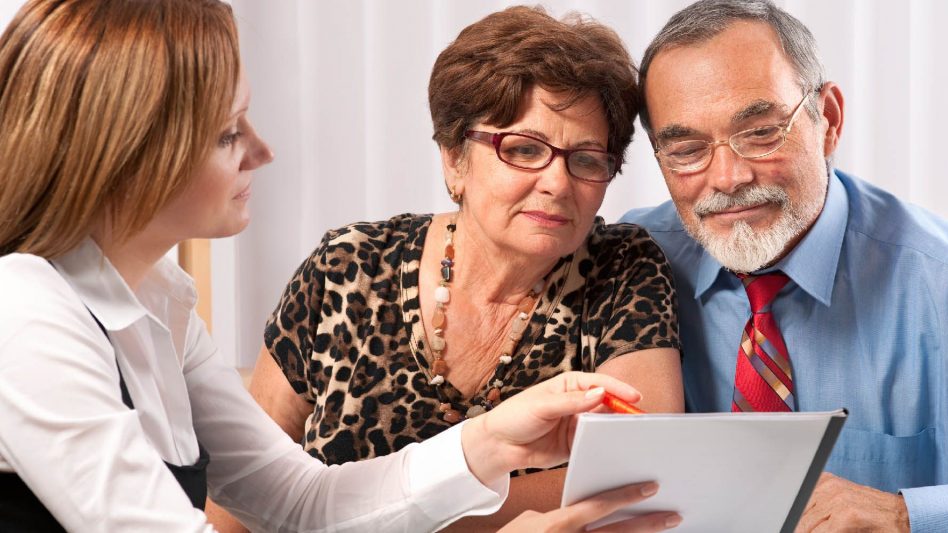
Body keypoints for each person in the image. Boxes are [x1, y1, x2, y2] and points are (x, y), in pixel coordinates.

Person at [0, 0, 684, 531]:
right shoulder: (24, 312)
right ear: (131, 153)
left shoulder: (160, 302)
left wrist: (488, 441)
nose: (261, 151)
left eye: (587, 159)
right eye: (229, 132)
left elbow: (301, 501)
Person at [208, 6, 685, 532]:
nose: (558, 182)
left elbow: (640, 478)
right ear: (454, 158)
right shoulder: (348, 266)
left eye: (588, 159)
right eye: (524, 149)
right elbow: (239, 503)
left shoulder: (624, 270)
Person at [621, 0, 948, 531]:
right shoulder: (634, 267)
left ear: (828, 120)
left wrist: (906, 515)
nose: (727, 177)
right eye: (688, 149)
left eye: (760, 132)